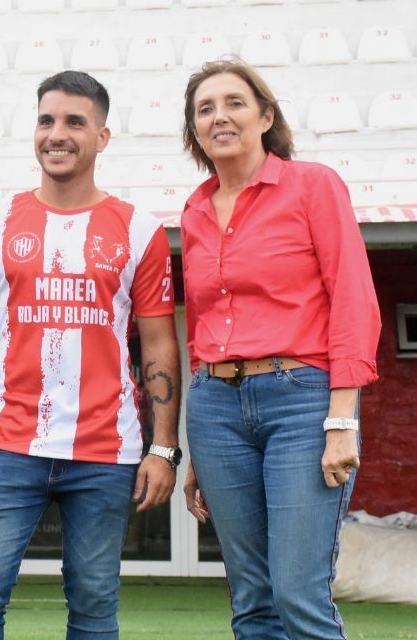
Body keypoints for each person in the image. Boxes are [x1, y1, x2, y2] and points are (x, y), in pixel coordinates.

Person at [0, 71, 181, 640]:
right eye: (46, 120)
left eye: (74, 121)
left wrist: (163, 446)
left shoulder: (139, 231)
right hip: (7, 444)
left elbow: (161, 343)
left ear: (103, 136)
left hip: (105, 449)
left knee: (94, 604)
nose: (57, 133)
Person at [179, 60, 380, 640]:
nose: (219, 116)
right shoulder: (192, 211)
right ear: (194, 130)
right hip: (215, 408)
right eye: (205, 108)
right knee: (252, 601)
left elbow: (353, 299)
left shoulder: (313, 185)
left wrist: (342, 419)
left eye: (234, 103)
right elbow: (204, 327)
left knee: (298, 595)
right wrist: (199, 448)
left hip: (303, 403)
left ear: (265, 116)